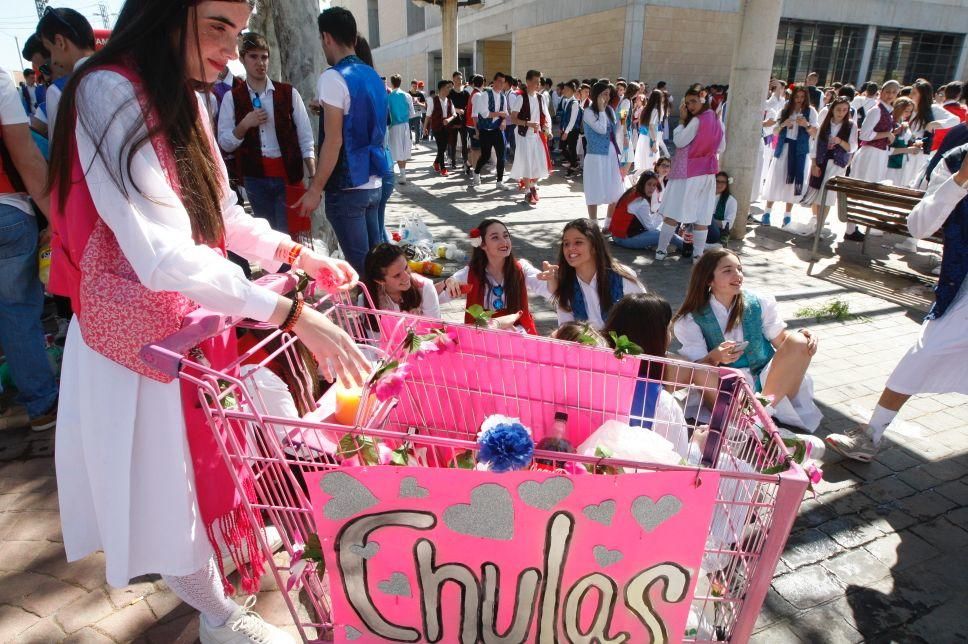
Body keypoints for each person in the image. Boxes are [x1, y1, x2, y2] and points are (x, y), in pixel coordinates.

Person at [45, 2, 370, 641]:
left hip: (186, 326)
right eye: (217, 25)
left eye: (238, 27)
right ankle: (220, 616)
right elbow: (159, 253)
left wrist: (297, 254)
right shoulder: (107, 90)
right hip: (134, 339)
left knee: (198, 476)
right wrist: (290, 313)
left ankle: (218, 609)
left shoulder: (187, 98)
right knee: (169, 492)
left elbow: (221, 217)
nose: (231, 44)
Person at [827, 143, 968, 462]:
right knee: (926, 352)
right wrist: (960, 181)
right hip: (962, 289)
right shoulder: (956, 161)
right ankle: (872, 434)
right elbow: (920, 226)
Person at [673, 250, 822, 432]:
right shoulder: (691, 319)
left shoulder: (758, 301)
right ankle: (751, 419)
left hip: (769, 379)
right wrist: (715, 356)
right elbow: (695, 371)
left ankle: (760, 415)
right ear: (708, 279)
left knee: (799, 341)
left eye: (739, 269)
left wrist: (802, 336)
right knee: (703, 372)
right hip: (729, 386)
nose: (738, 275)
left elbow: (781, 341)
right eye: (728, 270)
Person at [296, 7, 389, 277]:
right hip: (374, 180)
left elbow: (334, 141)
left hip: (348, 186)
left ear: (326, 37)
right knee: (377, 268)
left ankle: (372, 319)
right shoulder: (372, 74)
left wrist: (315, 189)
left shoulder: (333, 76)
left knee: (361, 273)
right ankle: (385, 317)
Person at [0, 65, 58, 432]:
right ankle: (42, 405)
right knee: (18, 313)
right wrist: (56, 219)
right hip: (8, 208)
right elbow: (24, 153)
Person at [218, 32, 316, 236]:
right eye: (254, 56)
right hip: (255, 178)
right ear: (243, 58)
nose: (260, 62)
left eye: (264, 57)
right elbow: (225, 143)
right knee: (269, 237)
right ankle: (277, 269)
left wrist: (314, 177)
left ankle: (289, 268)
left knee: (288, 236)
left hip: (288, 175)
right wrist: (244, 124)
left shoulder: (288, 93)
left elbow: (306, 139)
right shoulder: (232, 98)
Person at [601, 293, 690, 456]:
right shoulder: (662, 403)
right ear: (656, 338)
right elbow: (678, 460)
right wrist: (697, 443)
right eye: (668, 330)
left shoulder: (587, 382)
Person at [440, 218, 552, 334]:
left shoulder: (521, 269)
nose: (504, 242)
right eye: (495, 237)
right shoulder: (471, 273)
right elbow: (441, 293)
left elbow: (550, 291)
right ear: (482, 245)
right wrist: (449, 282)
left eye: (506, 236)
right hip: (483, 336)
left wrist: (551, 280)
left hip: (518, 335)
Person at [655, 85, 725, 262]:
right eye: (687, 103)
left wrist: (680, 122)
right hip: (708, 172)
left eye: (693, 101)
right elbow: (722, 147)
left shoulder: (696, 121)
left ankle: (661, 250)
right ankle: (698, 255)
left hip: (688, 173)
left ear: (703, 99)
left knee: (672, 211)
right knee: (702, 215)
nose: (690, 106)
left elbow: (679, 141)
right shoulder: (717, 120)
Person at [546, 218, 644, 329]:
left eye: (578, 242)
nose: (570, 248)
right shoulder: (566, 283)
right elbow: (566, 328)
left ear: (594, 246)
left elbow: (646, 317)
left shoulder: (621, 277)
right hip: (586, 345)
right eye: (566, 244)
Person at [845, 80, 902, 241]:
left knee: (868, 190)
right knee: (860, 189)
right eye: (888, 91)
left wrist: (889, 136)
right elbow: (864, 135)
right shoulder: (876, 110)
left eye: (894, 92)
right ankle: (850, 228)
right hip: (870, 154)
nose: (890, 95)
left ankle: (854, 226)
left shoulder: (887, 110)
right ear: (881, 91)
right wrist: (887, 135)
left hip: (878, 154)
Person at [761, 86, 818, 227]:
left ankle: (787, 215)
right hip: (784, 149)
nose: (799, 100)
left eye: (802, 97)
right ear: (792, 98)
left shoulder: (811, 112)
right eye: (797, 97)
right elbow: (774, 132)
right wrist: (783, 125)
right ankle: (767, 212)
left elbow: (815, 133)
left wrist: (806, 124)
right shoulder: (785, 110)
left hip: (799, 151)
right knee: (776, 178)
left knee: (793, 184)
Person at [800, 97, 857, 232]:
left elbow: (853, 147)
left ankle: (820, 225)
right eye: (838, 109)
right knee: (817, 192)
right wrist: (814, 164)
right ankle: (817, 221)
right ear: (832, 110)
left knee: (828, 194)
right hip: (821, 161)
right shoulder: (825, 124)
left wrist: (840, 141)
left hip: (837, 164)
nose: (841, 113)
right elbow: (815, 146)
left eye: (844, 110)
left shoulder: (851, 125)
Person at [582, 80, 625, 222]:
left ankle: (608, 223)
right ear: (596, 95)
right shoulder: (588, 112)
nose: (606, 97)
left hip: (611, 154)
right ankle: (593, 223)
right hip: (595, 156)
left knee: (615, 188)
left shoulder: (610, 110)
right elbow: (600, 129)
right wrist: (600, 110)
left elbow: (615, 130)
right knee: (594, 188)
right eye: (603, 94)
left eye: (608, 94)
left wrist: (623, 121)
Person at [508, 69, 553, 205]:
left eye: (539, 82)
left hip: (537, 135)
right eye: (535, 82)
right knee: (527, 163)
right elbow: (514, 119)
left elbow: (545, 116)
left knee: (541, 163)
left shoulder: (540, 98)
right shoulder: (521, 98)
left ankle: (532, 184)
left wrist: (547, 128)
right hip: (523, 136)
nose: (537, 85)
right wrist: (528, 123)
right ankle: (528, 191)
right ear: (528, 82)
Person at [610, 171, 684, 252]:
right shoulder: (642, 201)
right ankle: (690, 248)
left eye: (654, 185)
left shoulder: (632, 192)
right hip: (625, 239)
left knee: (664, 233)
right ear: (642, 184)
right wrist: (661, 215)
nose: (652, 188)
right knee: (669, 234)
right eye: (649, 184)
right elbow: (650, 228)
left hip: (617, 236)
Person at [363, 243, 441, 317]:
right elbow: (372, 330)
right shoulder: (368, 297)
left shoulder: (425, 287)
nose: (407, 276)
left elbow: (435, 327)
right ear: (380, 281)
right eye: (397, 275)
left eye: (406, 267)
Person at [471, 72, 511, 190]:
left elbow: (505, 114)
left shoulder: (503, 97)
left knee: (501, 155)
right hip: (485, 130)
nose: (500, 84)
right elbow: (485, 114)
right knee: (485, 155)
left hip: (497, 130)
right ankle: (476, 172)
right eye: (499, 81)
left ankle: (499, 181)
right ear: (494, 81)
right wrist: (500, 114)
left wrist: (503, 121)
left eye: (503, 82)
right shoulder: (485, 95)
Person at [886, 97, 923, 189]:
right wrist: (908, 150)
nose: (909, 114)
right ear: (899, 108)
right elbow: (886, 150)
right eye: (906, 111)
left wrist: (914, 145)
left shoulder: (903, 122)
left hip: (900, 164)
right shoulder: (890, 123)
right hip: (889, 165)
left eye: (910, 111)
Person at [424, 79, 458, 176]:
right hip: (436, 127)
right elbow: (428, 115)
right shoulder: (432, 100)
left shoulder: (450, 101)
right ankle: (443, 168)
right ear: (442, 88)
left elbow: (454, 114)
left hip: (447, 127)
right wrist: (424, 128)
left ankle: (436, 163)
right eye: (447, 87)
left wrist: (449, 119)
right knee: (441, 147)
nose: (449, 89)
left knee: (442, 148)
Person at [387, 74, 415, 185]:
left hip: (393, 126)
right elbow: (412, 113)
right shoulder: (407, 95)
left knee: (395, 149)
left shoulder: (388, 97)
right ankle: (403, 174)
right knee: (404, 149)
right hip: (405, 125)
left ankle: (398, 173)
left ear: (392, 83)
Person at [634, 89, 663, 179]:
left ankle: (635, 177)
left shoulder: (646, 109)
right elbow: (652, 126)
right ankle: (635, 177)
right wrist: (653, 142)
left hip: (644, 137)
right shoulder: (656, 110)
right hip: (650, 137)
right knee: (651, 162)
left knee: (648, 163)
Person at [931, 81, 966, 152]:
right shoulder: (964, 112)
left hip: (930, 149)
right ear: (959, 95)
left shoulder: (934, 108)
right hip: (949, 152)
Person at [707, 171, 737, 246]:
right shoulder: (705, 195)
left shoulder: (731, 200)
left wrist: (710, 221)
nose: (719, 184)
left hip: (715, 232)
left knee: (707, 216)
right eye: (717, 181)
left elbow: (729, 224)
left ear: (727, 184)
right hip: (698, 227)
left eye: (723, 182)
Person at [463, 74, 484, 177]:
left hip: (472, 125)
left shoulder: (475, 93)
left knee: (477, 150)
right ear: (483, 83)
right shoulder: (478, 95)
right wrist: (477, 130)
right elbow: (475, 114)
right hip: (474, 126)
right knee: (477, 150)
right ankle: (476, 173)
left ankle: (468, 164)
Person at [559, 80, 581, 177]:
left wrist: (566, 132)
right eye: (564, 89)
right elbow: (565, 117)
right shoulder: (567, 101)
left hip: (572, 131)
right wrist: (562, 128)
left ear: (572, 91)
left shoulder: (575, 103)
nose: (564, 91)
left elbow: (572, 120)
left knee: (572, 149)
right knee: (563, 147)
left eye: (566, 89)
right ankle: (574, 162)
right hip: (566, 129)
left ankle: (573, 166)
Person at [448, 71, 469, 169]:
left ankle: (465, 162)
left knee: (464, 142)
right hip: (453, 119)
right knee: (453, 142)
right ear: (453, 80)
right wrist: (456, 110)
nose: (460, 80)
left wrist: (464, 110)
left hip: (463, 120)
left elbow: (469, 105)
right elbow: (447, 105)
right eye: (457, 79)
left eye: (461, 79)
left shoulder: (466, 92)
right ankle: (453, 161)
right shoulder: (450, 92)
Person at [408, 79, 426, 143]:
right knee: (408, 129)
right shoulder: (408, 94)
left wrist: (418, 103)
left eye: (416, 86)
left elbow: (424, 105)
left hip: (418, 114)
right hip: (410, 114)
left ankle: (417, 142)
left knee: (417, 129)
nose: (415, 88)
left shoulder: (420, 94)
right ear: (411, 86)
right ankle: (410, 142)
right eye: (413, 86)